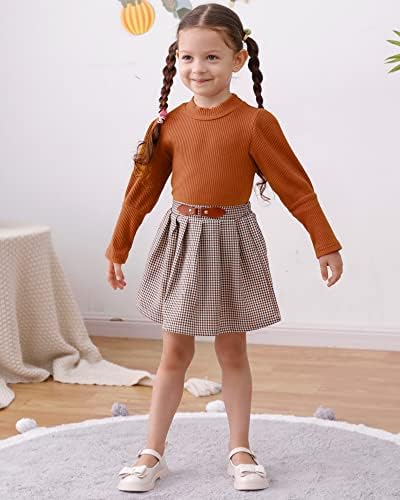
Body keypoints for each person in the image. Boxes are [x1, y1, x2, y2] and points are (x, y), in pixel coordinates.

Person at [105, 2, 343, 493]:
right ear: (176, 59)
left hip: (232, 243)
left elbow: (297, 189)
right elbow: (140, 192)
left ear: (238, 60)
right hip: (182, 243)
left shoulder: (255, 123)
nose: (198, 68)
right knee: (174, 352)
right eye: (188, 57)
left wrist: (324, 242)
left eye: (211, 57)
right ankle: (152, 453)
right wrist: (118, 247)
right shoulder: (168, 125)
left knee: (232, 350)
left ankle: (240, 450)